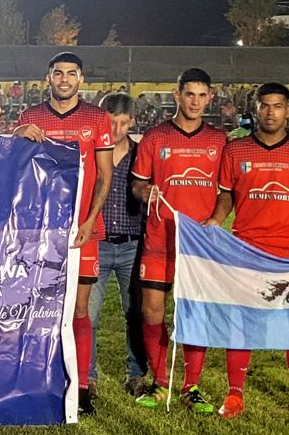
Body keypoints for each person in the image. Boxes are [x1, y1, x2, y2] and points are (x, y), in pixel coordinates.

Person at [203, 82, 289, 422]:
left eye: (278, 106)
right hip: (246, 251)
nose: (271, 112)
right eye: (265, 105)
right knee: (242, 322)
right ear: (256, 109)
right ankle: (234, 395)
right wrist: (215, 220)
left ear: (288, 110)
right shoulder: (236, 150)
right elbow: (226, 195)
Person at [12, 52, 114, 415]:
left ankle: (81, 385)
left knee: (79, 310)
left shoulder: (97, 118)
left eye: (71, 73)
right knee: (37, 307)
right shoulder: (31, 117)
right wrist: (18, 136)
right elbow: (15, 169)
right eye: (58, 73)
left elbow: (104, 174)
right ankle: (39, 379)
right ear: (49, 78)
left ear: (80, 79)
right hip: (41, 232)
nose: (65, 79)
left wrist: (90, 219)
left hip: (82, 230)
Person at [129, 68, 225, 414]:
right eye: (189, 94)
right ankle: (160, 381)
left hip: (198, 244)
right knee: (151, 311)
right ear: (177, 95)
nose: (195, 102)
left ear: (210, 98)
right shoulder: (155, 137)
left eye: (202, 95)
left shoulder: (219, 140)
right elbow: (137, 184)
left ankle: (191, 386)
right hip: (159, 239)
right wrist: (146, 192)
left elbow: (228, 191)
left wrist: (216, 220)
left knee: (195, 314)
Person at [89, 93, 148, 396]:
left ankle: (136, 374)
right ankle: (87, 376)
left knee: (135, 312)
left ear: (132, 122)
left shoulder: (141, 155)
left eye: (123, 123)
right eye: (112, 122)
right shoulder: (90, 152)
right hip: (96, 243)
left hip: (131, 244)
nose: (116, 129)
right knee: (88, 314)